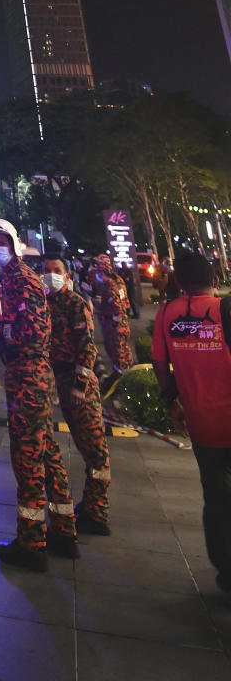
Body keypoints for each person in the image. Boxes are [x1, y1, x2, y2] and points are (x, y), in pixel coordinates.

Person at [0, 217, 77, 571]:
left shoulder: (21, 279)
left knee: (27, 457)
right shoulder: (9, 280)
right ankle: (64, 530)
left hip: (28, 376)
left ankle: (31, 542)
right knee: (48, 452)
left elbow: (32, 333)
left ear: (13, 242)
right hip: (30, 376)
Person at [152, 250, 231, 592]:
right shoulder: (224, 309)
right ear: (215, 278)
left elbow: (159, 363)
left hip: (202, 426)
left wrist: (173, 402)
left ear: (179, 282)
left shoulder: (167, 314)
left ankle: (228, 574)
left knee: (216, 500)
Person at [43, 256, 111, 535]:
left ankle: (97, 512)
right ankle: (91, 506)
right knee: (87, 446)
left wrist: (80, 386)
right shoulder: (46, 303)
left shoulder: (75, 303)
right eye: (46, 271)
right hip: (58, 378)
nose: (51, 275)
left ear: (68, 276)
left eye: (56, 271)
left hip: (77, 381)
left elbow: (87, 348)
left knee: (95, 450)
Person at [91, 253, 134, 385]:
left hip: (114, 325)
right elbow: (125, 303)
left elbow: (116, 306)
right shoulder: (119, 280)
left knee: (117, 354)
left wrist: (98, 306)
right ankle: (127, 377)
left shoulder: (109, 285)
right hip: (122, 324)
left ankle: (121, 384)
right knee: (124, 353)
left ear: (101, 270)